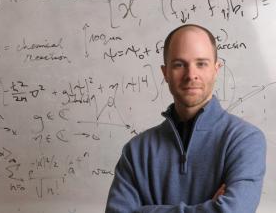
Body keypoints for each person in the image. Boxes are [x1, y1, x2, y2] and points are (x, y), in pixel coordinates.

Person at [105, 24, 266, 213]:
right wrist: (209, 208)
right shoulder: (136, 151)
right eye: (179, 64)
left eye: (201, 63)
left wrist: (144, 210)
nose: (191, 75)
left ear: (216, 69)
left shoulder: (245, 140)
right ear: (165, 73)